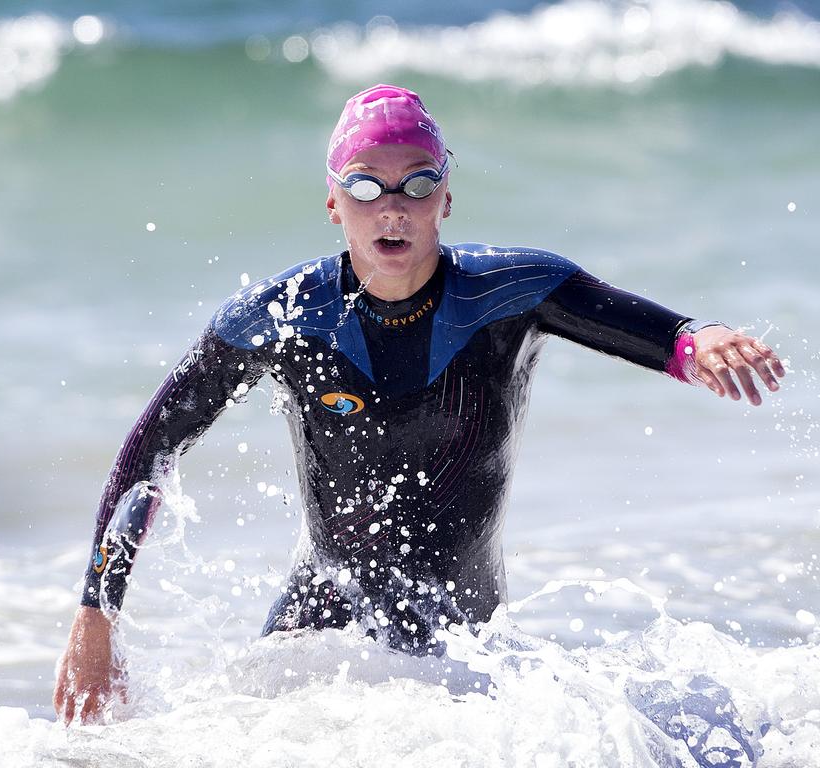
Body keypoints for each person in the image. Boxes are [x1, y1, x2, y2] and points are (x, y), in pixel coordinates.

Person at [53, 84, 785, 725]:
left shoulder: (510, 294)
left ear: (446, 199)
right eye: (367, 187)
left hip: (467, 654)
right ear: (334, 203)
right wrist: (96, 613)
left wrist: (697, 340)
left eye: (416, 184)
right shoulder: (280, 316)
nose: (392, 208)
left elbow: (653, 332)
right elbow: (153, 447)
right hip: (313, 650)